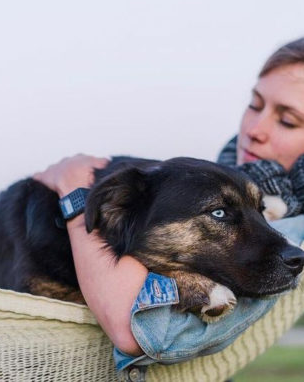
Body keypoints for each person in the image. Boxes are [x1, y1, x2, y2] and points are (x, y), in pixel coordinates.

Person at [34, 37, 304, 376]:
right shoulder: (205, 179)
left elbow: (138, 329)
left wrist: (74, 187)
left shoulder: (295, 229)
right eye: (255, 104)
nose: (254, 129)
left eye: (288, 121)